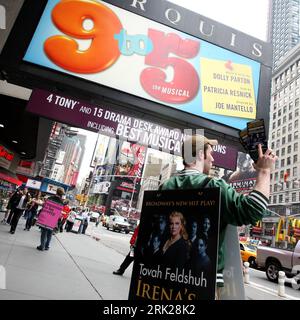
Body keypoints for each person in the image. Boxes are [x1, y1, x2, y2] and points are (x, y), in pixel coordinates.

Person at [160, 134, 276, 292]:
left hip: (165, 276)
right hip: (203, 281)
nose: (213, 160)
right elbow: (253, 209)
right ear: (201, 154)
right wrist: (264, 171)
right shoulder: (215, 186)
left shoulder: (165, 186)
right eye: (211, 154)